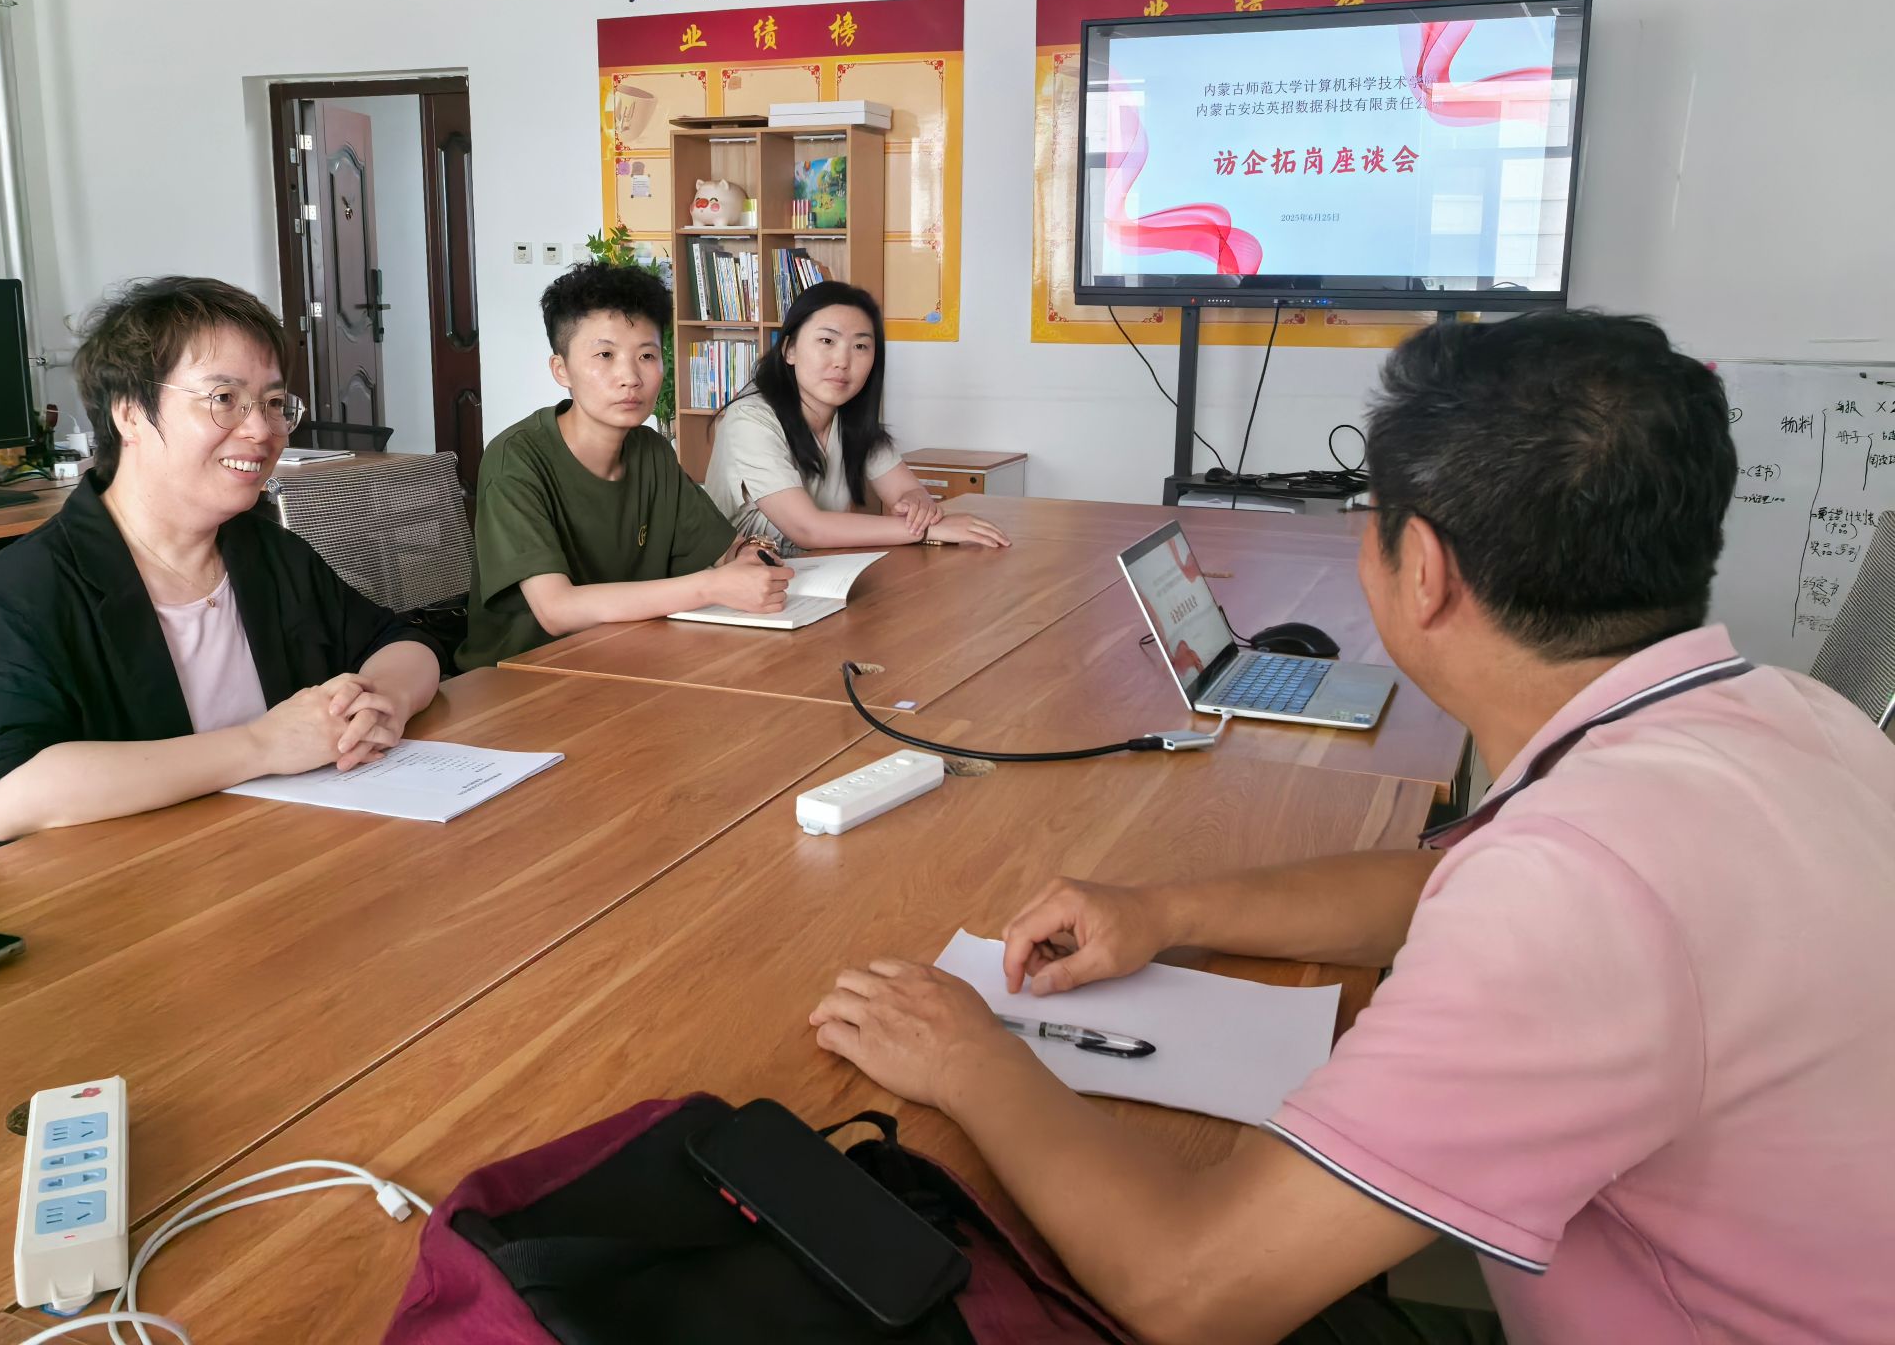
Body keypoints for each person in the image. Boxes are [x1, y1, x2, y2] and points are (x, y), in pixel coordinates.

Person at [811, 312, 1895, 1344]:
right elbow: (1448, 889)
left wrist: (970, 1058)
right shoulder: (1786, 714)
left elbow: (1192, 1291)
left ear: (1421, 570)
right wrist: (1165, 910)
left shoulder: (1582, 890)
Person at [0, 277, 446, 842]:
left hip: (275, 849)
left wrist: (384, 702)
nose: (261, 430)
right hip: (135, 875)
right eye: (223, 399)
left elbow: (401, 641)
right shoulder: (26, 589)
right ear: (130, 414)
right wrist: (262, 745)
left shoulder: (263, 550)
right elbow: (6, 795)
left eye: (273, 403)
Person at [457, 263, 788, 670]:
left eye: (646, 355)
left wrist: (748, 554)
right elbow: (557, 610)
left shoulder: (651, 451)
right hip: (523, 676)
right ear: (561, 370)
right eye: (605, 355)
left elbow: (723, 551)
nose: (630, 377)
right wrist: (711, 586)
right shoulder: (517, 458)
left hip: (630, 656)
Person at [703, 281, 1008, 555]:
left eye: (860, 346)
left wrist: (918, 504)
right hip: (743, 580)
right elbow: (807, 529)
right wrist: (929, 530)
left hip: (819, 569)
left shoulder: (850, 417)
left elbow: (905, 491)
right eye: (827, 341)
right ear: (790, 350)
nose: (843, 361)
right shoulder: (750, 420)